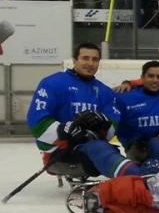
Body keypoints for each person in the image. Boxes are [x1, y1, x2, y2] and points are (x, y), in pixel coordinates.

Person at [27, 42, 140, 179]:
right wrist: (64, 129)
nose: (90, 63)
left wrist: (103, 124)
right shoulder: (52, 83)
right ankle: (137, 179)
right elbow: (36, 121)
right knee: (99, 148)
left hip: (90, 148)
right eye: (85, 58)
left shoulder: (104, 92)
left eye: (95, 59)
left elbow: (111, 128)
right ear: (74, 60)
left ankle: (135, 179)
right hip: (59, 152)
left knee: (104, 148)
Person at [115, 60, 159, 162]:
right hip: (138, 147)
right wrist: (128, 143)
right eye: (151, 76)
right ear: (142, 78)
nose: (155, 80)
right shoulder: (126, 97)